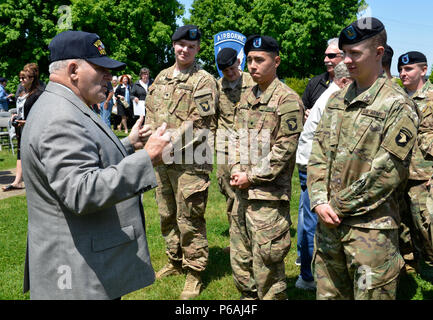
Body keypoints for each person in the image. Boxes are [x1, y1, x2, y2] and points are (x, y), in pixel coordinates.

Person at [21, 30, 171, 300]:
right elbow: (81, 191)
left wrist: (127, 144)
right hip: (77, 275)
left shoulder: (62, 104)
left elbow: (82, 157)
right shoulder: (61, 116)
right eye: (101, 69)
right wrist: (146, 158)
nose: (109, 78)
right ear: (74, 69)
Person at [307, 18, 419, 300]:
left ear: (379, 53)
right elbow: (317, 153)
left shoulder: (397, 104)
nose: (346, 61)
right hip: (329, 226)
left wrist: (337, 206)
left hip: (370, 233)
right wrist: (319, 200)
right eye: (344, 53)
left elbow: (388, 172)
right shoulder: (336, 100)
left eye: (355, 54)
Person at [144, 25, 218, 300]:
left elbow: (200, 122)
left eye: (190, 46)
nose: (184, 50)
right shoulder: (161, 78)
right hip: (162, 160)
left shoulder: (203, 80)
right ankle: (174, 261)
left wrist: (166, 143)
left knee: (190, 216)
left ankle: (195, 271)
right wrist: (151, 139)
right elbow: (151, 112)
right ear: (173, 45)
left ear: (198, 49)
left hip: (190, 161)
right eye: (180, 44)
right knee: (166, 213)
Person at [229, 35, 304, 300]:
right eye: (249, 60)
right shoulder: (247, 97)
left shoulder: (288, 101)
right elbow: (236, 138)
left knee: (267, 266)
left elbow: (284, 150)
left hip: (268, 198)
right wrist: (237, 169)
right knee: (241, 260)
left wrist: (250, 176)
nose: (252, 66)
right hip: (241, 193)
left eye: (259, 60)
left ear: (276, 61)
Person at [294, 61, 352, 291]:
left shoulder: (331, 94)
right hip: (314, 166)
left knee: (306, 217)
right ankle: (307, 276)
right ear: (344, 81)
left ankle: (307, 272)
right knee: (311, 221)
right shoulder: (334, 99)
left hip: (309, 163)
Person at [398, 51, 433, 280]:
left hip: (425, 175)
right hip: (399, 175)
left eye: (409, 69)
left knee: (427, 228)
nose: (403, 73)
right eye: (400, 69)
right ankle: (410, 269)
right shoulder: (397, 98)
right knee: (402, 227)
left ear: (423, 70)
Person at [215, 47, 255, 246]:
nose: (229, 74)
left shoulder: (253, 82)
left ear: (239, 62)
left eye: (232, 69)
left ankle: (251, 228)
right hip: (225, 143)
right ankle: (236, 231)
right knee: (227, 186)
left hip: (250, 142)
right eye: (225, 71)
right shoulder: (217, 86)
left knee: (250, 186)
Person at [3, 64, 44, 192]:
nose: (21, 81)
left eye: (23, 78)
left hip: (34, 129)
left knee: (36, 154)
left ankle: (41, 180)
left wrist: (28, 121)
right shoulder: (21, 91)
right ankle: (17, 182)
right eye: (20, 78)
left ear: (32, 79)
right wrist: (15, 115)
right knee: (20, 154)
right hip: (21, 128)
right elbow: (21, 108)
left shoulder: (39, 93)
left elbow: (43, 113)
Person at [301, 38, 344, 115]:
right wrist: (305, 114)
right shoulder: (315, 83)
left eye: (331, 56)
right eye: (325, 55)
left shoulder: (355, 83)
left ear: (344, 56)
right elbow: (302, 107)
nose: (325, 60)